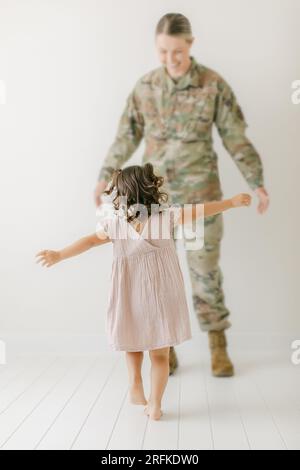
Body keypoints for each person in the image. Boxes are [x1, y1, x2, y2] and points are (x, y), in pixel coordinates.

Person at [93, 13, 270, 377]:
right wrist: (104, 176)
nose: (170, 58)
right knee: (155, 277)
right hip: (152, 203)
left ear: (190, 44)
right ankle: (164, 346)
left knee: (204, 271)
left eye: (177, 51)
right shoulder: (145, 87)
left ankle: (218, 344)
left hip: (200, 196)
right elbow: (126, 136)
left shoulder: (212, 85)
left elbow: (235, 137)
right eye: (162, 51)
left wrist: (256, 182)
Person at [36, 163, 252, 420]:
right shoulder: (167, 216)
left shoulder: (115, 223)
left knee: (133, 340)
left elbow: (90, 241)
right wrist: (231, 202)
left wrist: (60, 254)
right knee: (161, 354)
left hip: (129, 292)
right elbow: (201, 211)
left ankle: (135, 385)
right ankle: (155, 405)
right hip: (163, 293)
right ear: (151, 189)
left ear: (123, 193)